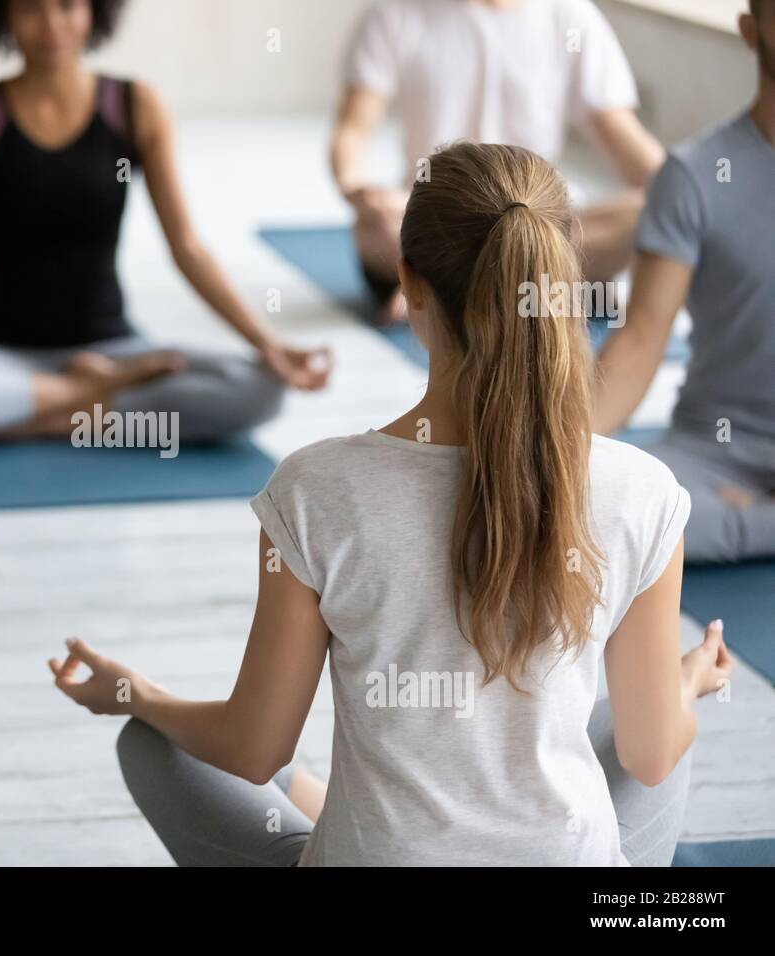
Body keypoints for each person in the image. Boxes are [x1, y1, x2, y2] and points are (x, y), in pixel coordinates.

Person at [50, 141, 733, 866]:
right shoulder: (644, 490)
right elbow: (652, 757)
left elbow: (252, 748)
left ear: (408, 284)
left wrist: (137, 694)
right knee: (646, 718)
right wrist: (688, 680)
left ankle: (316, 806)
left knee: (159, 744)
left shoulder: (317, 489)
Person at [0, 0, 329, 444]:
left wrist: (270, 344)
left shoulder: (135, 106)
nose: (51, 24)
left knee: (260, 391)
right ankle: (89, 397)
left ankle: (24, 419)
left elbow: (188, 248)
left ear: (94, 11)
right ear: (3, 16)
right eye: (31, 9)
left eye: (68, 6)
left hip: (116, 346)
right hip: (2, 355)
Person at [330, 0, 663, 322]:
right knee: (373, 226)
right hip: (436, 221)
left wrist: (685, 191)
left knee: (648, 211)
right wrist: (359, 193)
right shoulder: (394, 14)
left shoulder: (570, 15)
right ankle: (534, 288)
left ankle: (455, 293)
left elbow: (623, 135)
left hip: (538, 223)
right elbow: (352, 130)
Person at [593, 0, 775, 564]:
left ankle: (748, 523)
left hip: (724, 496)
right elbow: (642, 338)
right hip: (715, 450)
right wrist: (552, 457)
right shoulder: (694, 175)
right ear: (750, 31)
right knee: (598, 512)